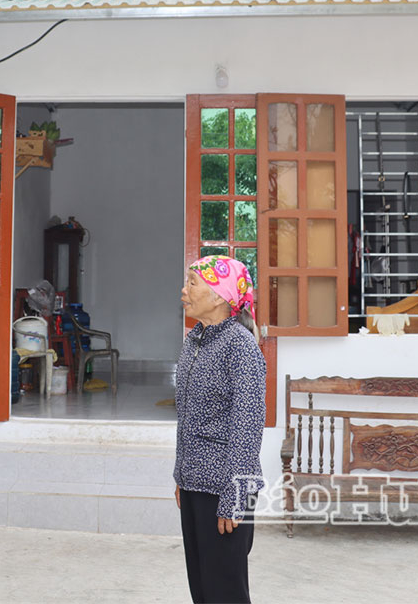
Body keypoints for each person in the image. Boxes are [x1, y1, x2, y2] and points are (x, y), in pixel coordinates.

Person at [174, 255, 266, 604]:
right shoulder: (194, 340)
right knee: (201, 588)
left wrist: (235, 496)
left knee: (225, 592)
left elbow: (247, 425)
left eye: (192, 283)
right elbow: (187, 416)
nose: (184, 291)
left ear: (218, 296)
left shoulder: (240, 346)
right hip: (194, 483)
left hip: (226, 488)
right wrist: (181, 475)